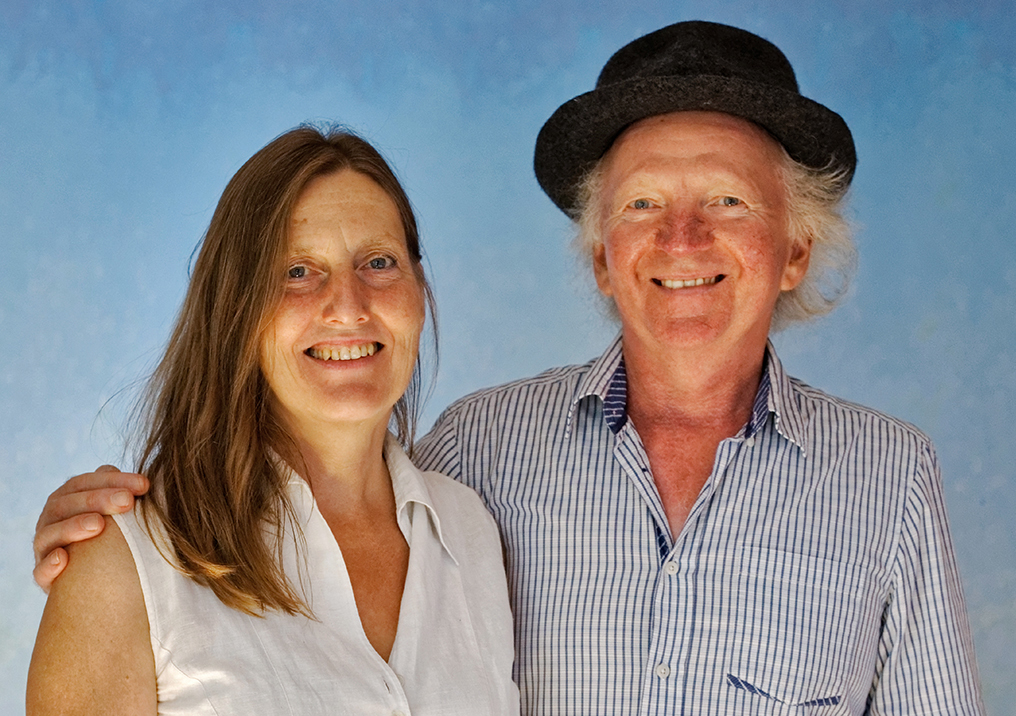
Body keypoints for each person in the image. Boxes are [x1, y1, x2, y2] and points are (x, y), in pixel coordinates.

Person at [32, 21, 984, 715]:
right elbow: (297, 482)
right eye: (643, 205)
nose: (683, 239)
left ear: (796, 249)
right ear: (602, 256)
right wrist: (108, 544)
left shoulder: (889, 479)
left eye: (729, 201)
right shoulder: (480, 454)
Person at [26, 127, 519, 715]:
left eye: (379, 262)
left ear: (420, 289)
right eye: (298, 272)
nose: (348, 307)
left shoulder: (472, 531)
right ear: (235, 309)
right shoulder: (123, 560)